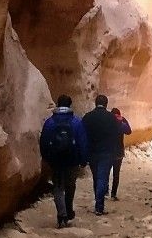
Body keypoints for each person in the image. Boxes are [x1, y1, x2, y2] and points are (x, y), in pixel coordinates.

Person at [40, 94, 88, 226]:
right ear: (70, 104)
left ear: (57, 104)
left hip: (55, 160)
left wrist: (46, 158)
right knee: (70, 186)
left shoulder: (50, 122)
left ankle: (62, 214)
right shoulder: (76, 122)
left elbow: (43, 141)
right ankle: (68, 210)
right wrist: (83, 159)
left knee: (58, 187)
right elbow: (82, 142)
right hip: (72, 160)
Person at [82, 92, 126, 214]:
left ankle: (98, 200)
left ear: (96, 103)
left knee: (96, 178)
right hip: (107, 152)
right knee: (102, 177)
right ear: (106, 104)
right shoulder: (111, 118)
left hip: (92, 152)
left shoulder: (88, 117)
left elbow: (83, 135)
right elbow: (117, 134)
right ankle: (99, 206)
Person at [110, 106, 132, 199]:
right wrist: (122, 121)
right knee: (116, 174)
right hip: (119, 151)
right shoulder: (121, 120)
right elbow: (129, 131)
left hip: (108, 150)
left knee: (106, 173)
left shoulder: (108, 121)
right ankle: (113, 194)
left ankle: (105, 192)